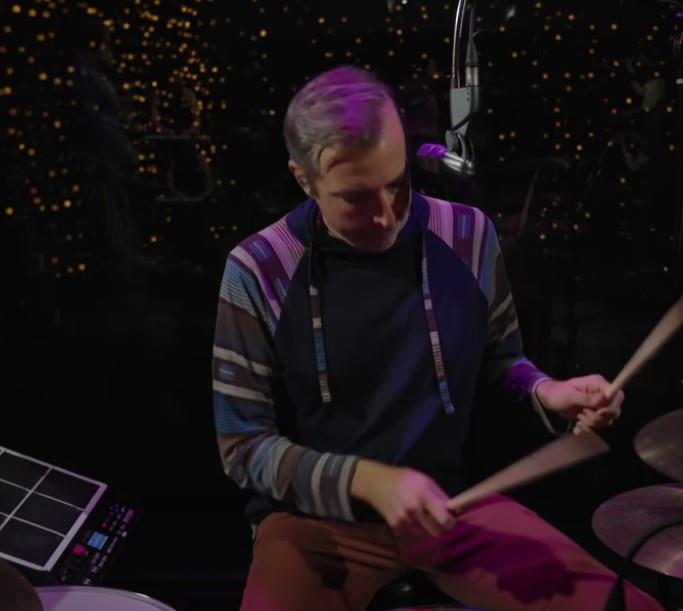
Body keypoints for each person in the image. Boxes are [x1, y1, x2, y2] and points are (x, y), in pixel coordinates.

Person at [212, 66, 662, 611]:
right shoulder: (259, 268)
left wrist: (548, 393)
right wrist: (367, 481)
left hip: (450, 509)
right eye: (356, 198)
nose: (386, 217)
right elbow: (243, 448)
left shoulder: (468, 234)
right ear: (303, 179)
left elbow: (502, 360)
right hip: (315, 528)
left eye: (397, 184)